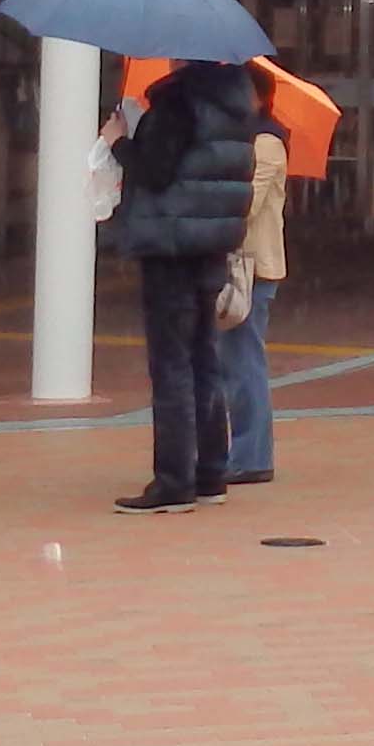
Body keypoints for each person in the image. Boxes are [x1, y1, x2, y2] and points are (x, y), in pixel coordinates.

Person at [97, 55, 267, 513]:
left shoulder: (178, 102)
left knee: (171, 364)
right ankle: (210, 473)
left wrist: (119, 141)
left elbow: (155, 170)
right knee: (203, 358)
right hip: (210, 247)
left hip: (170, 245)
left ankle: (174, 481)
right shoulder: (237, 106)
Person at [219, 102, 290, 488]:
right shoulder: (245, 140)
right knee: (233, 361)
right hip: (237, 265)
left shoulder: (265, 143)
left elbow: (246, 204)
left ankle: (252, 457)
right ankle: (242, 454)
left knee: (244, 362)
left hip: (252, 267)